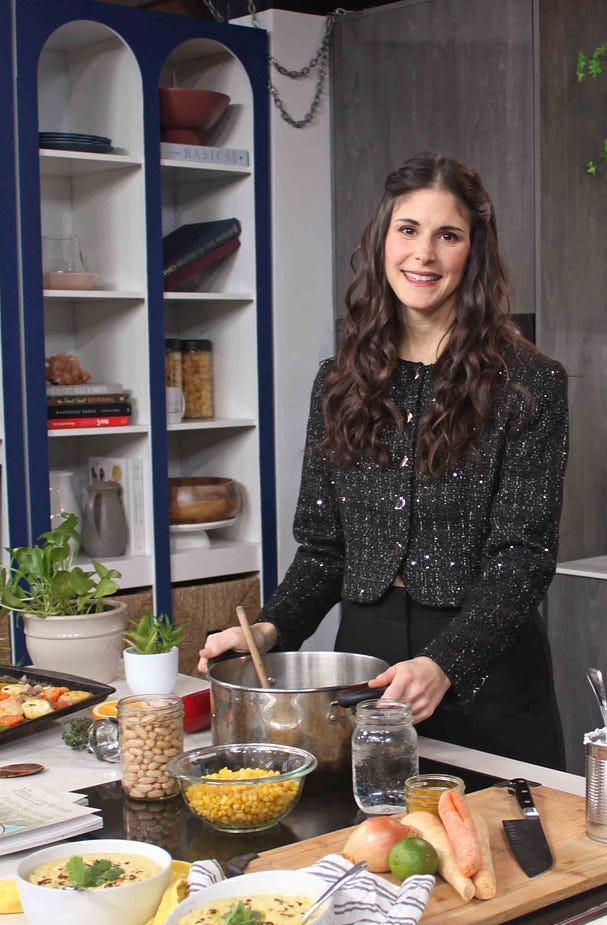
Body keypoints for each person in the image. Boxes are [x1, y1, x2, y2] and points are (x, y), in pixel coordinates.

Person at [199, 151, 568, 769]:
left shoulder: (528, 382)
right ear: (382, 241)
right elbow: (324, 552)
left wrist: (446, 663)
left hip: (485, 675)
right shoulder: (339, 380)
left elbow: (524, 559)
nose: (423, 254)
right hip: (364, 670)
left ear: (473, 253)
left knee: (497, 855)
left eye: (447, 235)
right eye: (408, 230)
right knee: (370, 847)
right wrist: (267, 630)